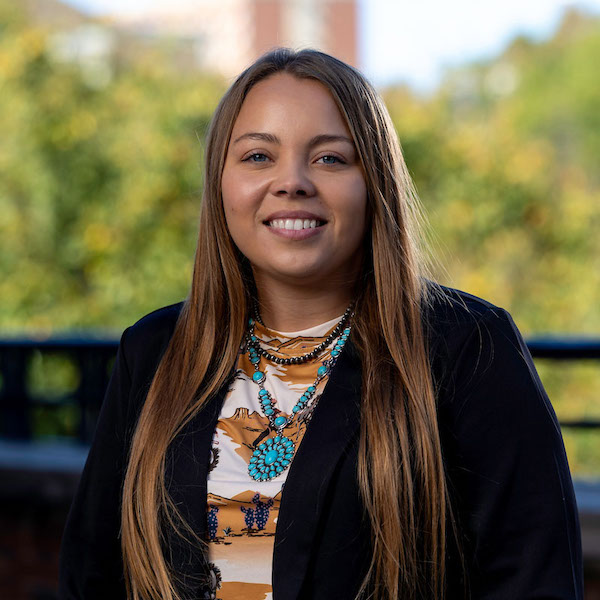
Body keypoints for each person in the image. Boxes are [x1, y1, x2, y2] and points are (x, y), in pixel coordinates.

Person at [58, 47, 583, 600]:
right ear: (220, 183)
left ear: (374, 182)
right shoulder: (155, 351)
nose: (292, 182)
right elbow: (92, 577)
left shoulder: (466, 348)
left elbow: (533, 580)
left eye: (331, 159)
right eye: (258, 156)